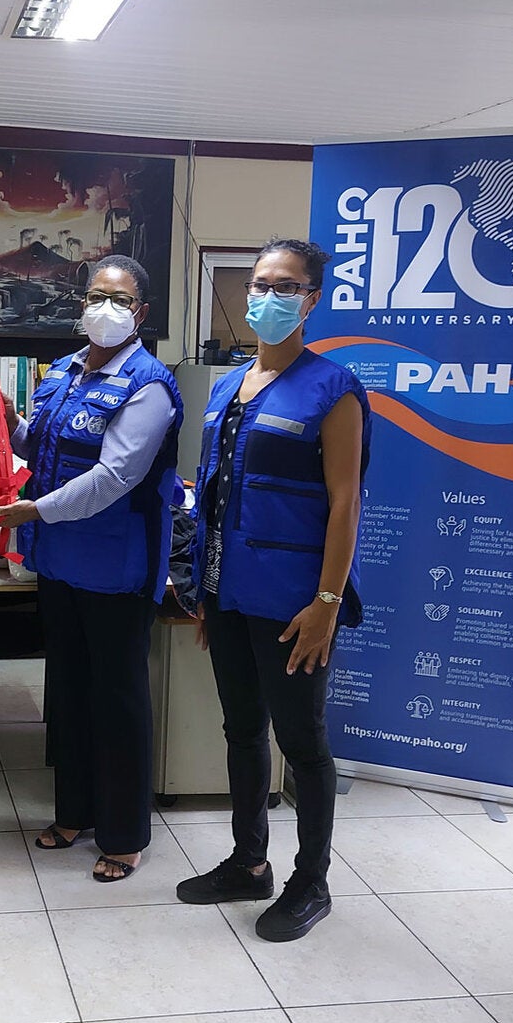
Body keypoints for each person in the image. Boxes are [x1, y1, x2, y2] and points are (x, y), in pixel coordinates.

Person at [175, 237, 370, 941]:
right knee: (240, 730)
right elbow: (216, 495)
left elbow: (345, 504)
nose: (268, 296)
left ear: (312, 300)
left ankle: (310, 881)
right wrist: (205, 589)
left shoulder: (334, 389)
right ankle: (248, 861)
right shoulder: (227, 385)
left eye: (286, 286)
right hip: (228, 597)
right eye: (261, 283)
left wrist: (326, 603)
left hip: (294, 606)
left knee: (304, 742)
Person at [0, 255, 183, 882]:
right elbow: (39, 445)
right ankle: (72, 811)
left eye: (121, 299)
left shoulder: (149, 386)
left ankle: (125, 833)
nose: (106, 307)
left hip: (117, 567)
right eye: (97, 295)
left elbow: (114, 476)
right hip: (60, 563)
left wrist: (35, 511)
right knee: (69, 692)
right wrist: (2, 415)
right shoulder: (63, 373)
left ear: (142, 313)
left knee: (118, 698)